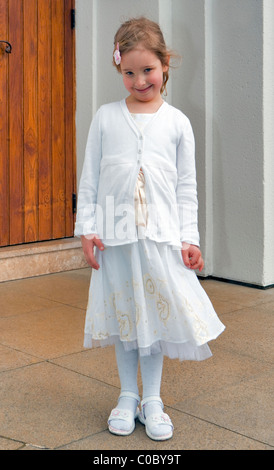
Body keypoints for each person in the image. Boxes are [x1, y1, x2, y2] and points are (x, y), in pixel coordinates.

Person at [75, 16, 225, 441]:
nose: (140, 80)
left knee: (153, 322)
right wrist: (88, 229)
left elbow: (187, 187)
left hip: (161, 239)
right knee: (126, 319)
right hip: (116, 238)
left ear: (164, 65)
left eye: (148, 70)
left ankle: (153, 399)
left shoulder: (178, 123)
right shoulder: (105, 118)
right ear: (118, 68)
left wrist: (189, 239)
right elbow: (89, 177)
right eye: (129, 72)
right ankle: (126, 395)